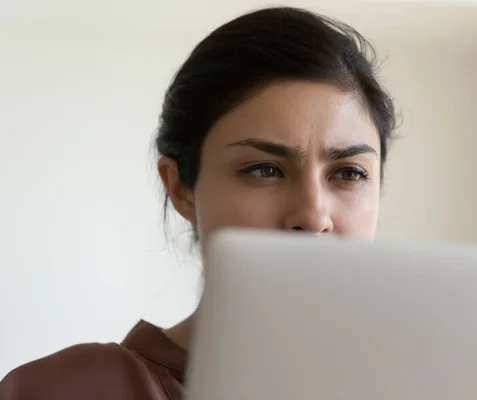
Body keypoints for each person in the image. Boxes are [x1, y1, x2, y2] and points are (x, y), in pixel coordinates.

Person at [0, 6, 396, 399]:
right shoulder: (62, 392)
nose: (313, 215)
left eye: (349, 173)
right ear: (181, 189)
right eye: (264, 169)